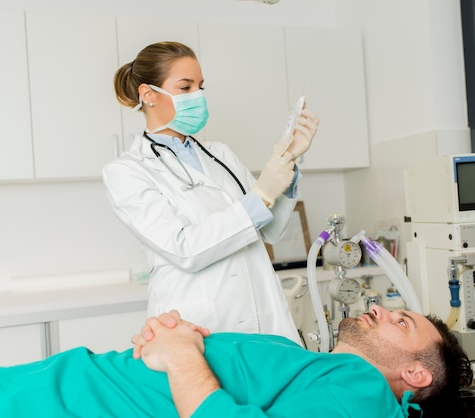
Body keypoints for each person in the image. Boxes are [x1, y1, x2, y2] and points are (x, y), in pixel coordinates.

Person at [103, 41, 319, 345]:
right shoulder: (127, 170)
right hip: (198, 325)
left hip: (264, 319)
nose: (198, 96)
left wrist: (288, 163)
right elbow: (185, 249)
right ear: (148, 95)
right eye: (185, 87)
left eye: (201, 87)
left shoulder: (220, 154)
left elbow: (269, 231)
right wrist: (261, 194)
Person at [0, 305, 473, 418]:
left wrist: (181, 352)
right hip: (58, 384)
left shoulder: (363, 388)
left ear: (416, 374)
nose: (378, 308)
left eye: (401, 323)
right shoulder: (311, 364)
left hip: (57, 401)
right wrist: (172, 338)